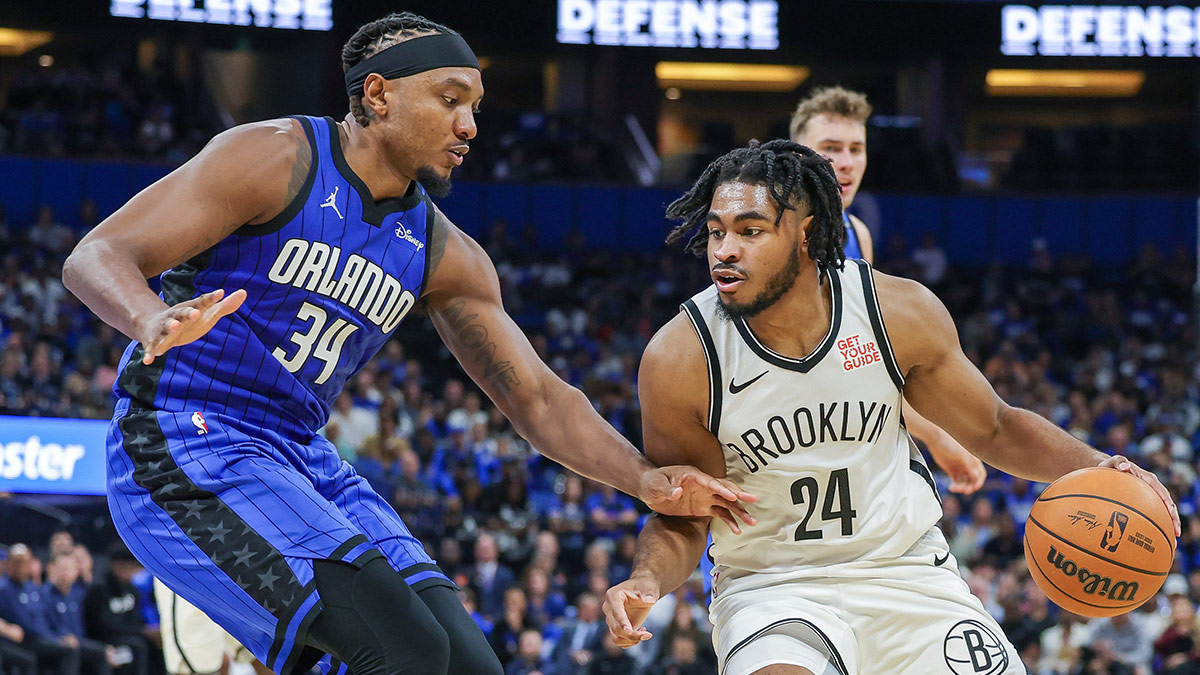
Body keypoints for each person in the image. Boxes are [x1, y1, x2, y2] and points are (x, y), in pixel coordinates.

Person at [60, 12, 753, 675]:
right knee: (405, 653)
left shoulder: (445, 254)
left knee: (467, 662)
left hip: (298, 456)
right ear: (378, 94)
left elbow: (538, 399)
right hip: (183, 441)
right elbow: (98, 253)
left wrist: (642, 478)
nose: (469, 124)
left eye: (476, 105)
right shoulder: (275, 157)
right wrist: (149, 317)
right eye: (450, 99)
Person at [601, 140, 1179, 674]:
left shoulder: (895, 313)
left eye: (750, 231)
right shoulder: (680, 357)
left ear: (806, 232)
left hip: (907, 572)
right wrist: (646, 580)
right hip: (772, 587)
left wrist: (1102, 467)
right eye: (716, 232)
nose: (724, 251)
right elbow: (681, 512)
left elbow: (996, 426)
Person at [790, 86, 986, 494]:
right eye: (830, 148)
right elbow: (833, 372)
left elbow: (863, 355)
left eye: (855, 149)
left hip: (836, 449)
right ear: (796, 154)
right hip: (779, 443)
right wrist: (936, 435)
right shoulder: (777, 238)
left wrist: (939, 432)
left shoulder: (857, 234)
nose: (844, 163)